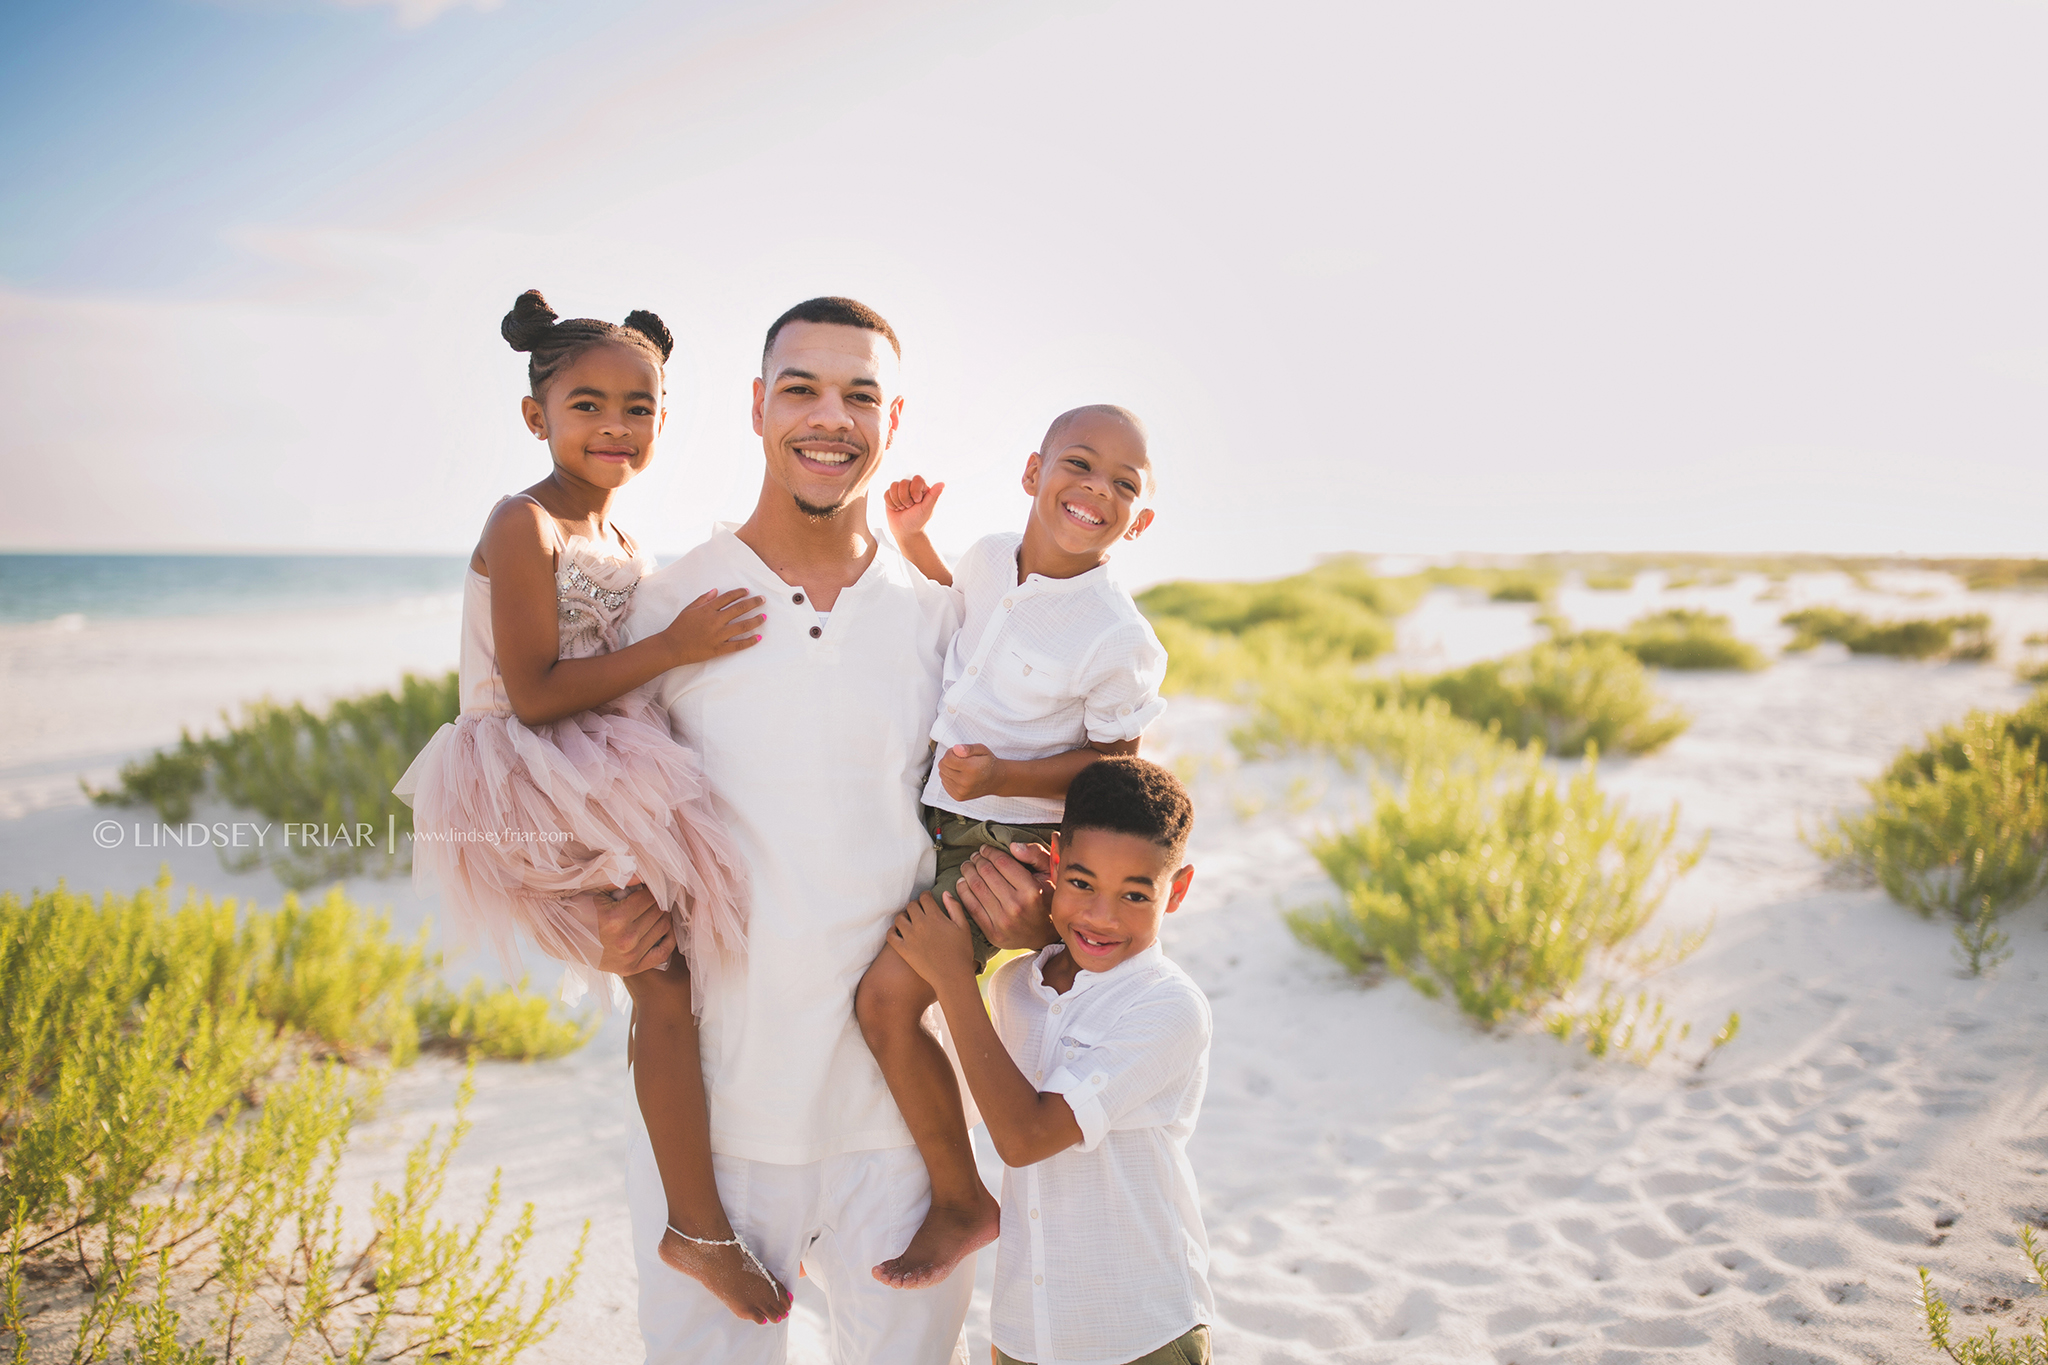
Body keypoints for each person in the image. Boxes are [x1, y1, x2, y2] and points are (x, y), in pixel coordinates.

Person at [608, 296, 996, 1363]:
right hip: (723, 1118)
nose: (830, 418)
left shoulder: (939, 619)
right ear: (754, 407)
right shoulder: (669, 606)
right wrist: (592, 926)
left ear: (894, 417)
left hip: (901, 1122)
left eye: (858, 394)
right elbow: (574, 799)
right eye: (802, 389)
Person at [394, 290, 791, 1326]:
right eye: (588, 405)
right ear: (538, 417)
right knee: (657, 979)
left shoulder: (613, 526)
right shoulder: (519, 520)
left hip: (605, 758)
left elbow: (622, 658)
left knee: (675, 970)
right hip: (531, 771)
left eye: (640, 406)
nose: (616, 425)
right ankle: (695, 1228)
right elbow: (530, 690)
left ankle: (717, 1186)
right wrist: (676, 648)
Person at [854, 404, 1169, 1291]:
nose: (1097, 490)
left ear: (1137, 520)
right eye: (1079, 464)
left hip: (1007, 838)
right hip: (933, 804)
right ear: (1033, 472)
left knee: (886, 999)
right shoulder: (992, 555)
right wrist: (913, 541)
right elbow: (967, 622)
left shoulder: (1118, 635)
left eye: (1124, 485)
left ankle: (962, 1199)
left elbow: (1116, 762)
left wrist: (1006, 771)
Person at [889, 757, 1214, 1365]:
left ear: (1179, 889)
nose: (1102, 917)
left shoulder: (1168, 1007)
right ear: (1055, 863)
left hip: (1139, 1333)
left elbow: (1025, 1136)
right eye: (1083, 884)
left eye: (1135, 895)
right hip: (1025, 1334)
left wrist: (955, 977)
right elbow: (971, 1100)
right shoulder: (1016, 985)